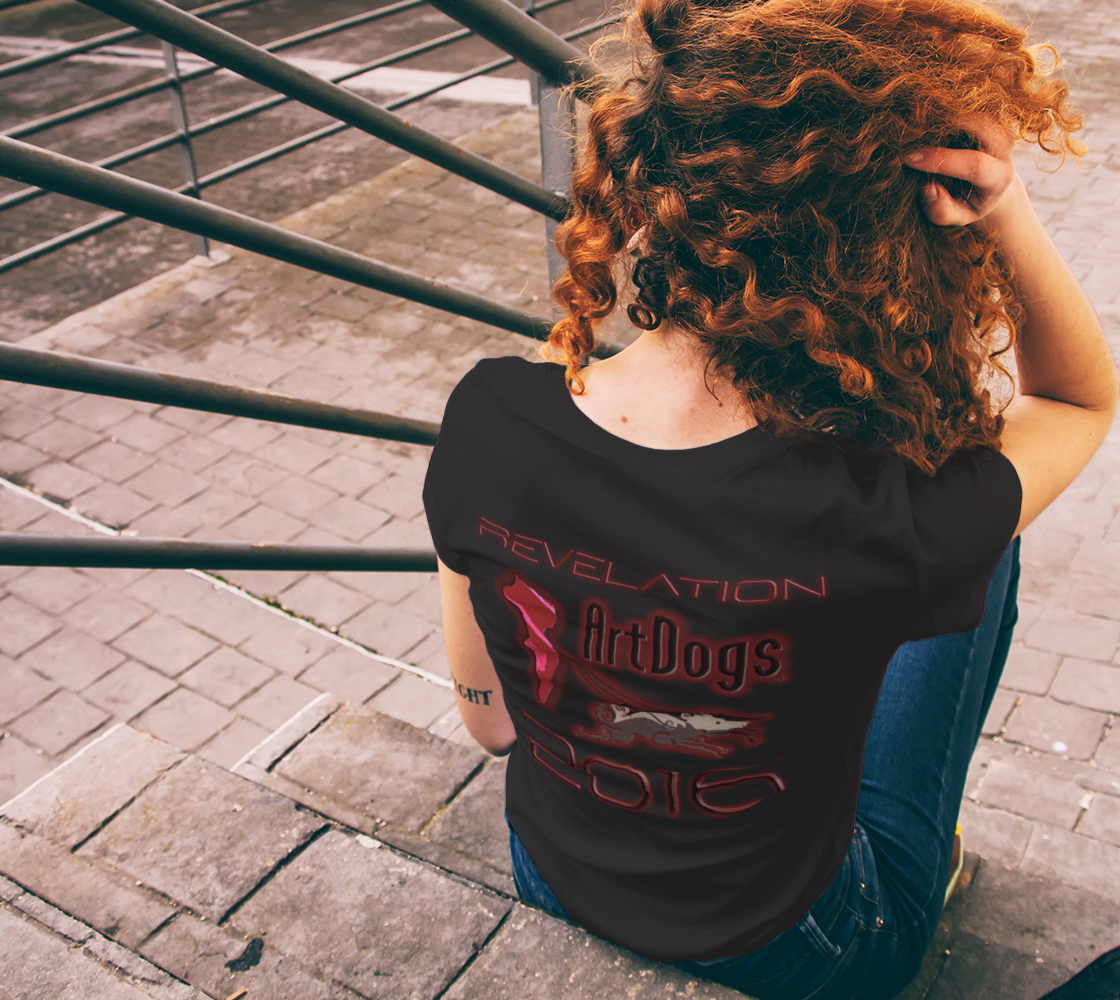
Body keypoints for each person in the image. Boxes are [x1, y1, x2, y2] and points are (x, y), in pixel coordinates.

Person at [422, 0, 1118, 996]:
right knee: (986, 529)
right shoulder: (883, 515)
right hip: (806, 948)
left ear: (645, 195)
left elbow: (493, 728)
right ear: (884, 263)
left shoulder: (490, 421)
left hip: (555, 878)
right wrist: (1004, 209)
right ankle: (931, 863)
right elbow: (1077, 401)